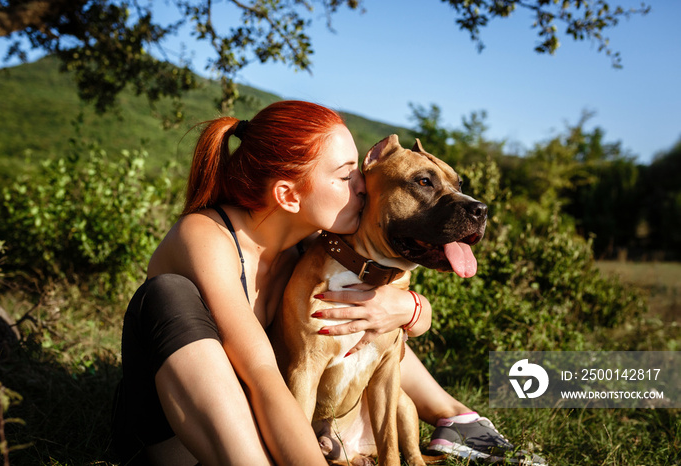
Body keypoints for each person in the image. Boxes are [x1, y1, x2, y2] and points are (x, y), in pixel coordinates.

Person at [110, 100, 546, 466]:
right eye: (346, 176)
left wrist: (408, 307)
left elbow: (373, 327)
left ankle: (455, 418)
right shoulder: (206, 237)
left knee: (351, 311)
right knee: (169, 295)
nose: (363, 186)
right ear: (288, 195)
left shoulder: (313, 249)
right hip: (184, 436)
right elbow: (262, 376)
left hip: (268, 426)